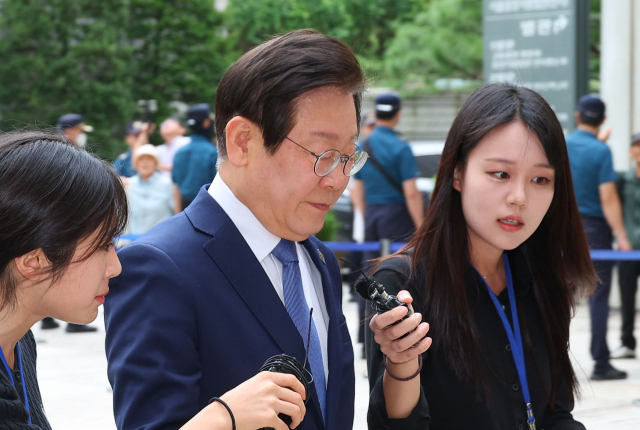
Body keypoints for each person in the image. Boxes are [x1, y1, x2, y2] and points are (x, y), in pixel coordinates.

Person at [104, 29, 366, 430]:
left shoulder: (319, 258)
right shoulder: (159, 268)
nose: (338, 179)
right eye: (324, 154)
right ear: (243, 141)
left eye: (348, 156)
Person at [0, 131, 313, 430]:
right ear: (35, 261)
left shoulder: (18, 340)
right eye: (102, 246)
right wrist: (224, 416)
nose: (115, 266)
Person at [365, 83, 598, 429]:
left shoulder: (543, 279)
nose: (519, 197)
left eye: (540, 179)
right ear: (458, 173)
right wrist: (402, 365)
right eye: (500, 174)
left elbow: (556, 414)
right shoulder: (403, 284)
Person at [566, 94, 631, 380]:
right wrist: (622, 236)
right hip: (595, 231)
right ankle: (600, 362)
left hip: (562, 228)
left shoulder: (563, 145)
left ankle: (554, 362)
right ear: (602, 120)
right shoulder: (600, 152)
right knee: (598, 297)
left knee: (557, 294)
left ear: (578, 116)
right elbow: (608, 198)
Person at [350, 93, 424, 264]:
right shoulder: (401, 147)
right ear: (398, 114)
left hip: (370, 213)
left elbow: (357, 188)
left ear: (376, 114)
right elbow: (411, 193)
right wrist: (421, 227)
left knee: (371, 265)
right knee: (397, 264)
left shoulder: (362, 146)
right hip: (396, 215)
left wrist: (364, 216)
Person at [41, 115, 99, 333]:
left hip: (48, 221)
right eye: (80, 131)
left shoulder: (50, 149)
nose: (82, 136)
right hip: (64, 221)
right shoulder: (67, 155)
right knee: (70, 269)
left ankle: (47, 317)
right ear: (70, 131)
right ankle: (74, 321)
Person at [611, 131, 640, 359]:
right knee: (627, 297)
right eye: (636, 146)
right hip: (628, 250)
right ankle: (627, 342)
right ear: (631, 151)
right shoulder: (623, 179)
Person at [171, 103, 218, 211]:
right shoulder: (211, 152)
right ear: (206, 123)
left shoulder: (179, 153)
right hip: (207, 210)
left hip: (184, 212)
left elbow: (175, 189)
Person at [126, 144, 174, 235]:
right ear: (136, 163)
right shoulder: (129, 184)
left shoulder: (167, 183)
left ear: (156, 163)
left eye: (149, 158)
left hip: (161, 240)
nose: (145, 162)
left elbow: (176, 212)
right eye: (141, 159)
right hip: (133, 241)